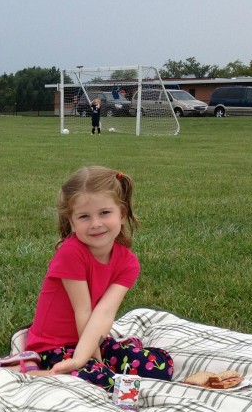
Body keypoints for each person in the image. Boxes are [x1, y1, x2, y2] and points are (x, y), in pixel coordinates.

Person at [23, 166, 173, 390]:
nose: (95, 223)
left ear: (122, 214)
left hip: (93, 339)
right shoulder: (70, 253)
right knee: (100, 381)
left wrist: (97, 357)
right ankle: (31, 373)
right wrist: (88, 361)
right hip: (53, 347)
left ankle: (96, 367)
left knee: (159, 366)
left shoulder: (128, 263)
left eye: (105, 213)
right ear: (72, 223)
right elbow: (83, 311)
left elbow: (104, 312)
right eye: (84, 216)